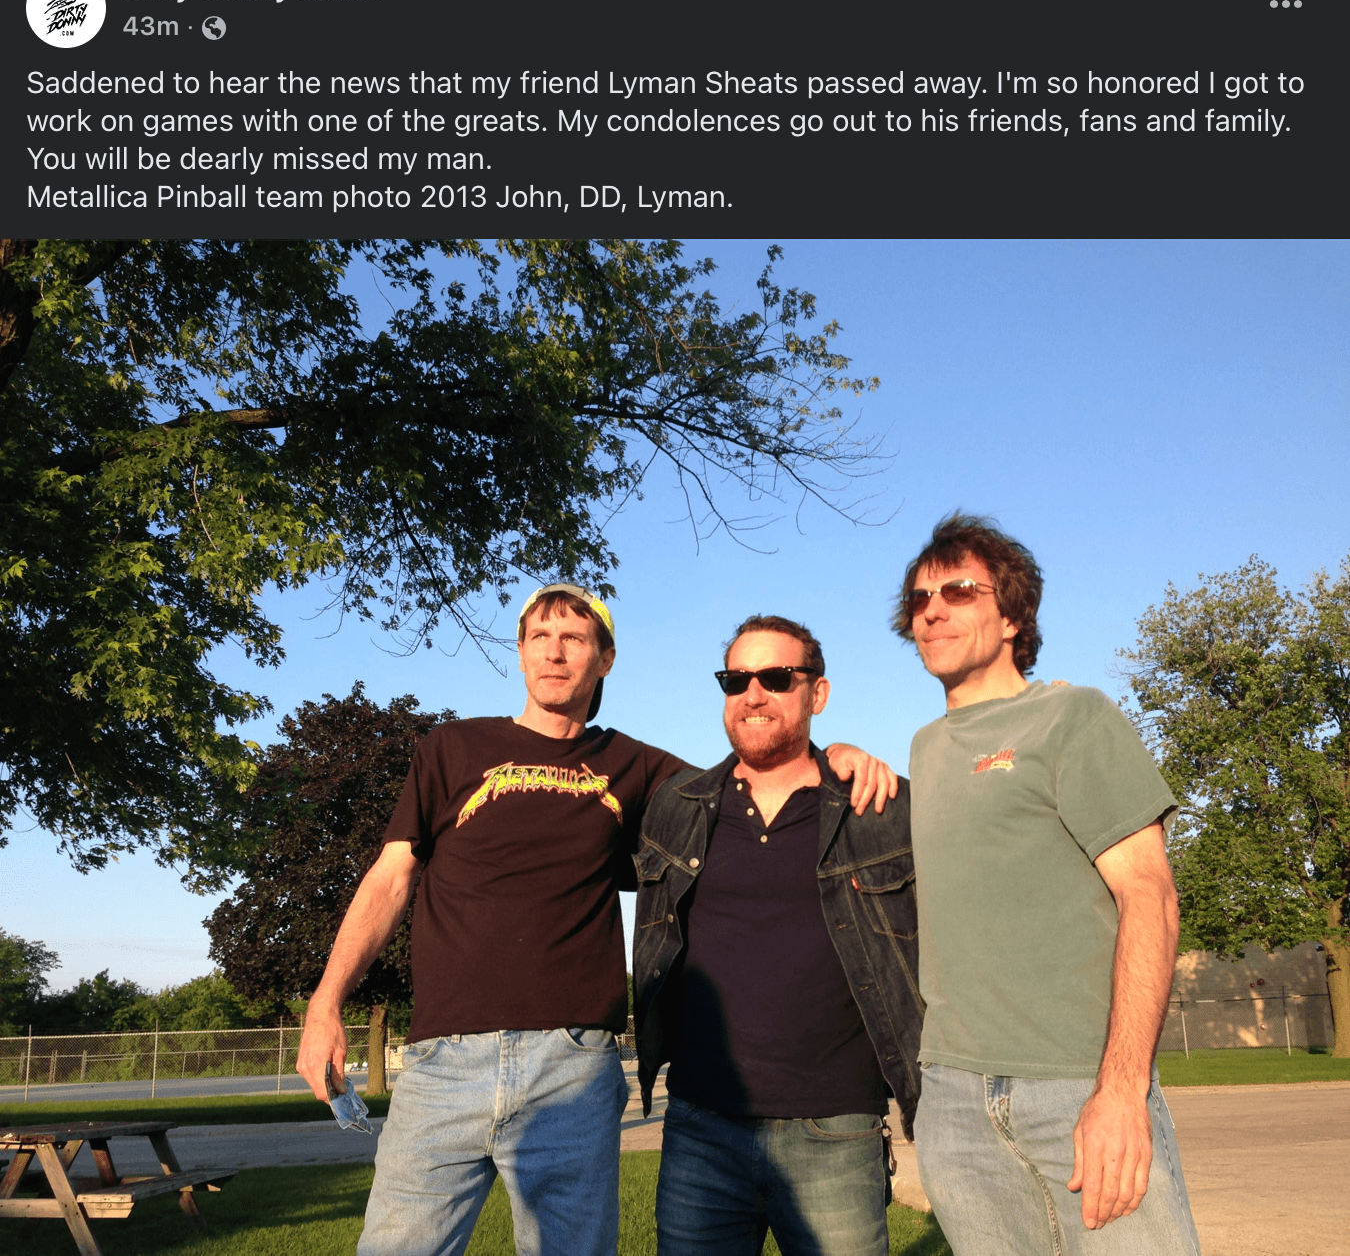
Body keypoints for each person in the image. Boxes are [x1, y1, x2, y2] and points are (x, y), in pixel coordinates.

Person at [296, 584, 893, 1256]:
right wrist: (326, 1003)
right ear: (520, 654)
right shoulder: (451, 749)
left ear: (604, 659)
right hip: (442, 1063)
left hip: (571, 1065)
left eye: (575, 638)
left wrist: (834, 756)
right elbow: (391, 876)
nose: (555, 652)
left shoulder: (634, 767)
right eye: (539, 638)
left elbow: (754, 784)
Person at [893, 514, 1200, 1255]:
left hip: (1077, 1088)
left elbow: (1150, 896)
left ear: (1011, 616)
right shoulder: (926, 749)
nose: (932, 608)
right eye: (919, 597)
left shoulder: (1072, 715)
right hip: (955, 1100)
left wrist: (1122, 1091)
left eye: (959, 590)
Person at [633, 615, 921, 1256]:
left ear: (817, 694)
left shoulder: (880, 808)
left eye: (775, 677)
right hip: (700, 1128)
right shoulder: (675, 806)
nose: (753, 694)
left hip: (836, 1131)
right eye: (736, 679)